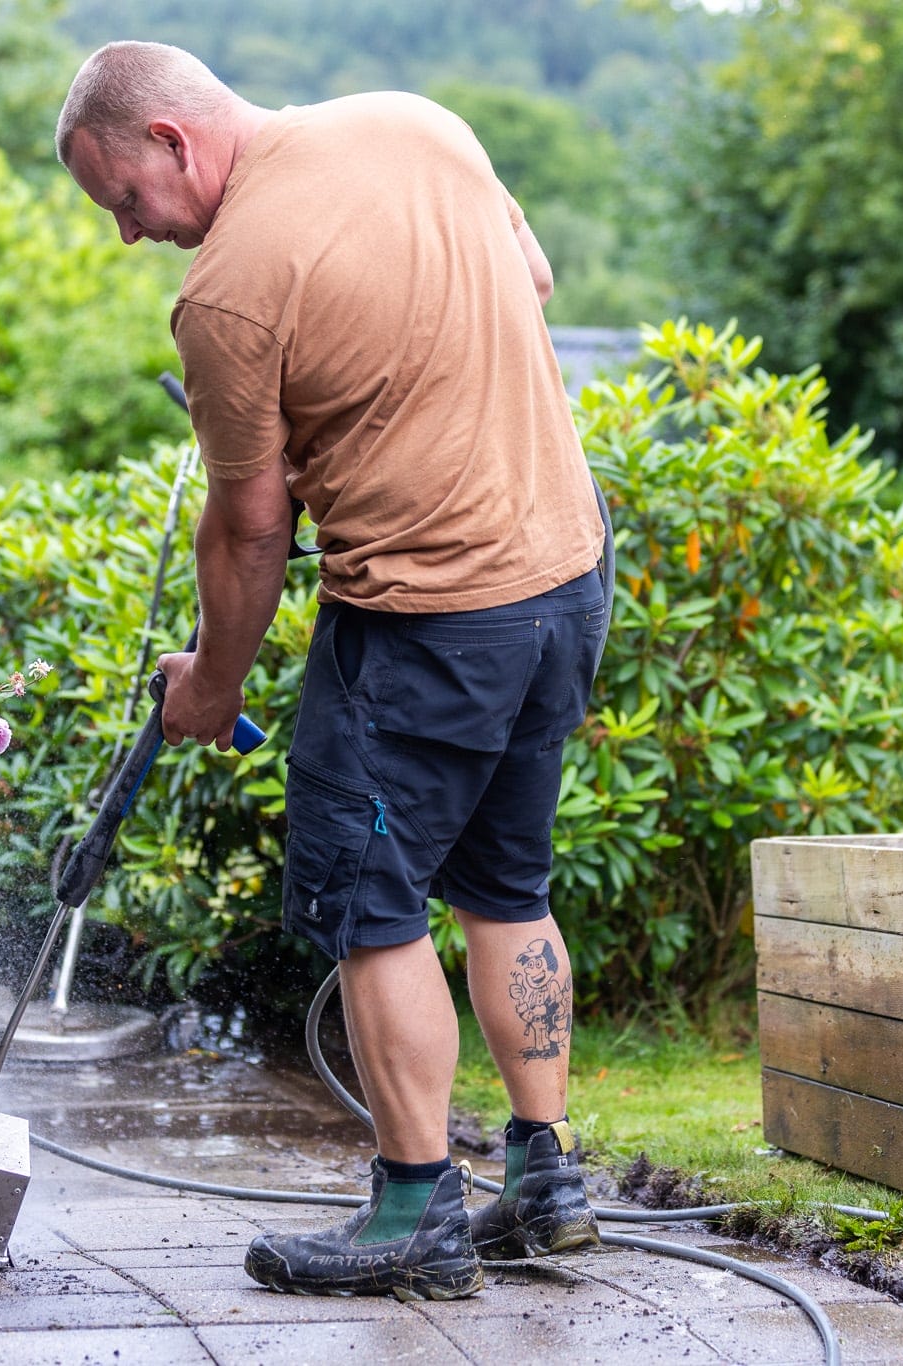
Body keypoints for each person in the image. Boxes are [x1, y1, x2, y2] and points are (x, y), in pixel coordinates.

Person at [55, 41, 610, 1302]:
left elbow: (250, 529)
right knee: (505, 884)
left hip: (429, 614)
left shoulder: (230, 291)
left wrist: (210, 684)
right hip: (563, 573)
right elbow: (525, 276)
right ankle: (546, 1175)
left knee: (374, 907)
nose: (132, 236)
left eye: (126, 204)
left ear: (171, 144)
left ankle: (415, 1208)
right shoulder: (417, 121)